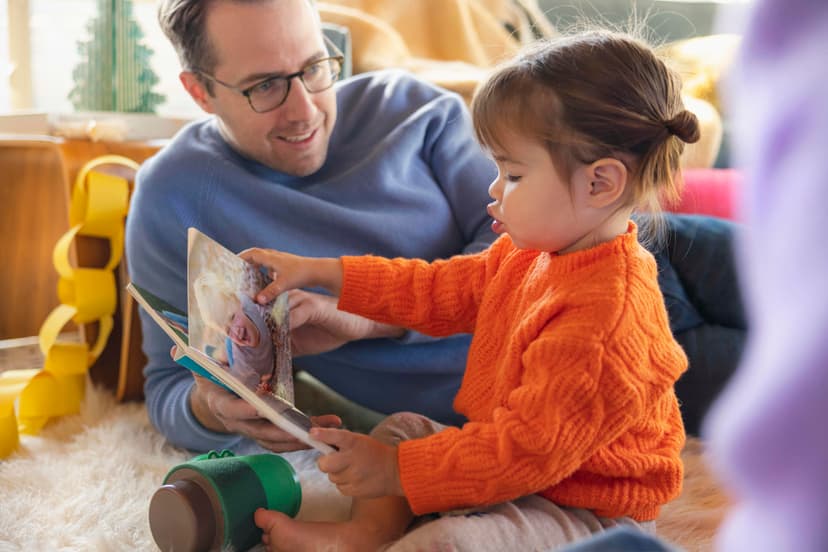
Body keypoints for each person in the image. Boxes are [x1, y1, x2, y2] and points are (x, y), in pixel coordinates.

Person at [246, 30, 696, 551]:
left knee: (448, 541)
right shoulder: (531, 254)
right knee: (401, 429)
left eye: (513, 174)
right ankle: (362, 536)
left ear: (601, 184)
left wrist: (396, 473)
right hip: (522, 472)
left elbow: (525, 452)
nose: (494, 188)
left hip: (588, 511)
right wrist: (320, 272)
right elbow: (433, 289)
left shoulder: (606, 319)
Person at [126, 0, 499, 453]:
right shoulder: (173, 194)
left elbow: (538, 260)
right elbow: (166, 386)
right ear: (200, 92)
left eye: (315, 66)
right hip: (443, 440)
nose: (305, 111)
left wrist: (370, 317)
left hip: (564, 374)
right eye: (264, 86)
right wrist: (213, 410)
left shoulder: (416, 111)